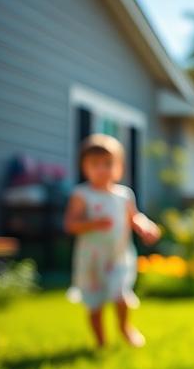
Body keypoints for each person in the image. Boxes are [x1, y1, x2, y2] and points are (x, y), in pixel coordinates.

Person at [64, 134, 160, 348]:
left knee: (121, 295)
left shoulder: (124, 195)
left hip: (118, 257)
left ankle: (124, 327)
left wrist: (146, 226)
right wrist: (92, 224)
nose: (102, 169)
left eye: (108, 163)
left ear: (119, 167)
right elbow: (70, 224)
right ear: (84, 167)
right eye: (95, 164)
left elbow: (134, 217)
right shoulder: (82, 195)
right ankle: (100, 341)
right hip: (92, 260)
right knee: (94, 303)